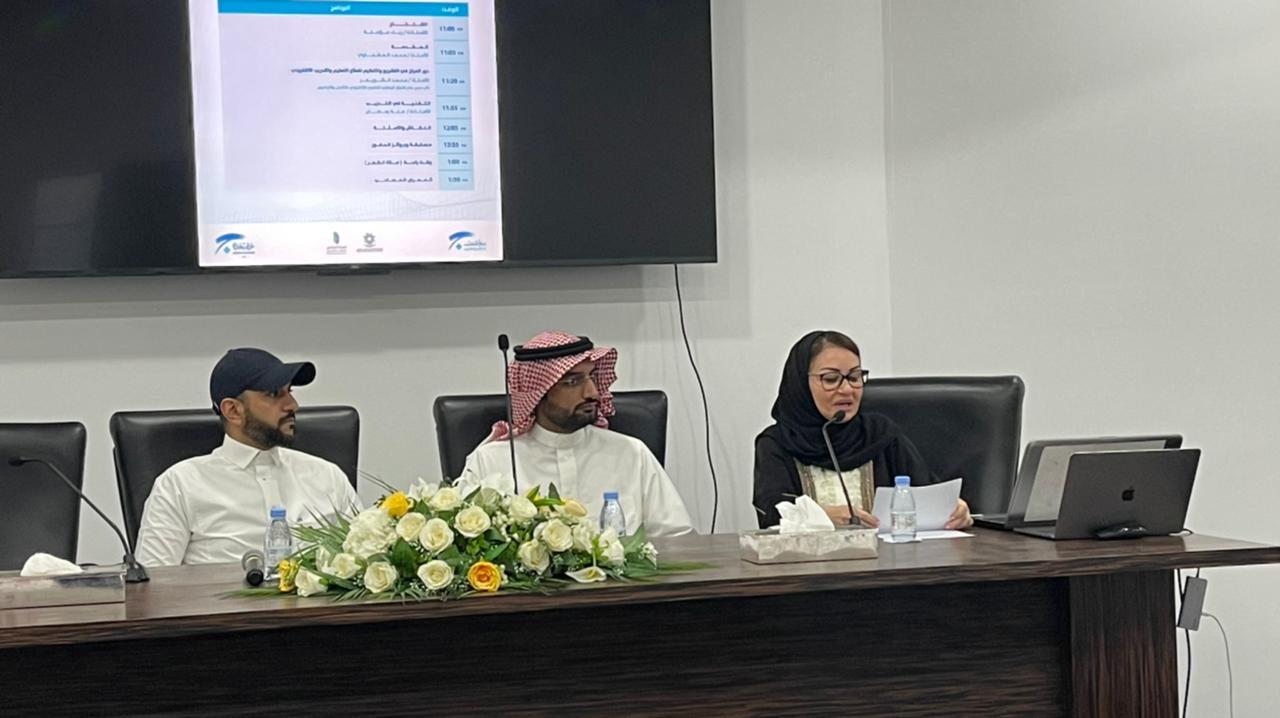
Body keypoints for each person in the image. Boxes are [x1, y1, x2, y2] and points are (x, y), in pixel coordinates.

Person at [135, 348, 361, 566]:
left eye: (289, 391)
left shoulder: (327, 476)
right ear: (233, 411)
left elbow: (364, 562)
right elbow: (153, 583)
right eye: (274, 394)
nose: (293, 405)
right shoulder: (180, 485)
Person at [458, 331, 695, 537]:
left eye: (592, 377)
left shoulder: (632, 453)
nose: (592, 393)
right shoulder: (491, 461)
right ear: (538, 393)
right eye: (572, 382)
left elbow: (677, 538)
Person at [753, 330, 972, 530]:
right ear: (800, 383)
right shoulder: (777, 444)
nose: (847, 389)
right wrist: (820, 518)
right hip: (809, 560)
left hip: (888, 558)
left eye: (854, 377)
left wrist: (955, 511)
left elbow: (927, 496)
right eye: (831, 379)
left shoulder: (881, 435)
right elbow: (771, 518)